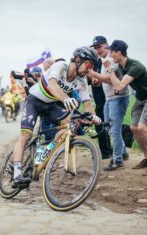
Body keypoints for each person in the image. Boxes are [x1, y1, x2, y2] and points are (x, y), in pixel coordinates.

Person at [11, 46, 102, 188]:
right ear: (78, 59)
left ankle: (45, 152)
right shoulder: (61, 66)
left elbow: (87, 103)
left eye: (92, 67)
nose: (89, 70)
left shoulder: (82, 80)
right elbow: (52, 84)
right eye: (89, 65)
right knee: (25, 136)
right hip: (34, 101)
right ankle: (16, 172)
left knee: (70, 125)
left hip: (50, 105)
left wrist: (94, 117)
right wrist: (65, 98)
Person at [104, 40, 147, 176]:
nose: (110, 55)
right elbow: (119, 85)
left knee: (142, 128)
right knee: (133, 128)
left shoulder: (135, 66)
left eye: (112, 52)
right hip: (140, 98)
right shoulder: (122, 66)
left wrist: (109, 69)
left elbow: (119, 86)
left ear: (119, 52)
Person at [87, 36, 130, 170]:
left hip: (118, 98)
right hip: (110, 98)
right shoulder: (103, 60)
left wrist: (94, 74)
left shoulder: (112, 59)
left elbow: (113, 79)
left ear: (106, 45)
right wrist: (97, 79)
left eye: (99, 46)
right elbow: (106, 79)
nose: (97, 50)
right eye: (95, 48)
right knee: (108, 128)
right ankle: (123, 152)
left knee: (114, 130)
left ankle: (118, 160)